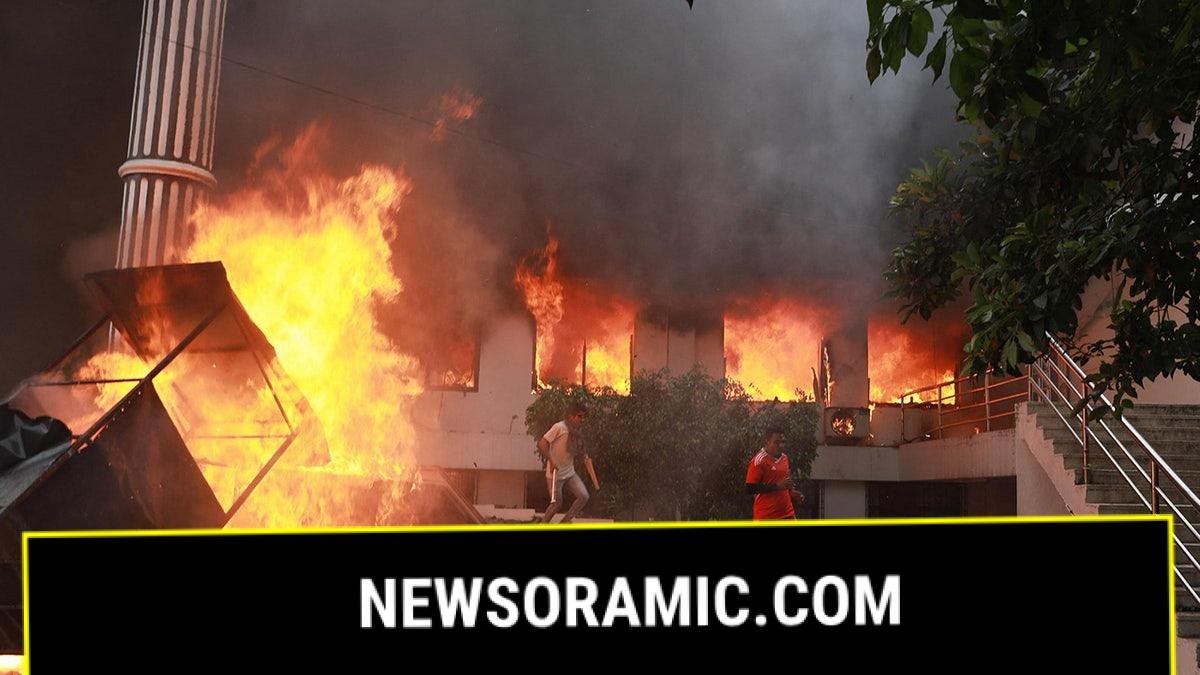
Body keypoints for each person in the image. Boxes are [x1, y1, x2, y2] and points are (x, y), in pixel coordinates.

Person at [537, 402, 597, 523]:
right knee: (556, 504)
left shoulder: (577, 432)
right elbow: (542, 443)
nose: (582, 419)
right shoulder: (559, 427)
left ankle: (564, 523)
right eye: (579, 416)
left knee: (584, 496)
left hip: (569, 473)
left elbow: (581, 451)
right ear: (571, 416)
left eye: (583, 417)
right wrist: (551, 461)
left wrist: (585, 456)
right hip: (555, 474)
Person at [745, 426, 805, 520]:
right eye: (776, 442)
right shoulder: (759, 461)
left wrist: (792, 493)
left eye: (783, 442)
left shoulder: (785, 458)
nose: (781, 445)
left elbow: (785, 481)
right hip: (767, 517)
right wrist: (776, 486)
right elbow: (750, 488)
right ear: (767, 442)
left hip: (788, 514)